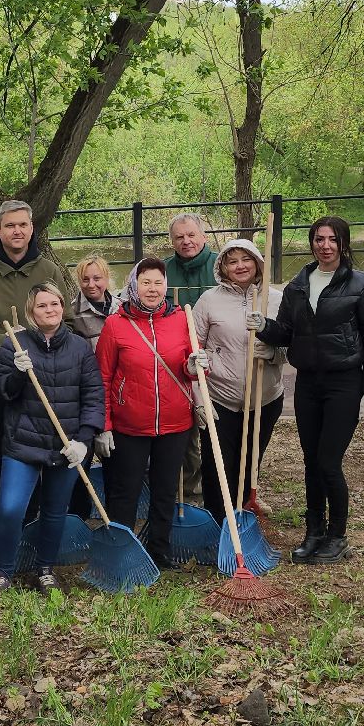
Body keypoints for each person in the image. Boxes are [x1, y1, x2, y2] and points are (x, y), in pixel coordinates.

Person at [253, 215, 364, 564]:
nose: (325, 246)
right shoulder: (299, 285)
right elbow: (287, 332)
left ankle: (337, 536)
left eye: (332, 239)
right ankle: (314, 531)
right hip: (309, 383)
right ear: (312, 243)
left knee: (328, 461)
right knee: (311, 461)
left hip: (345, 382)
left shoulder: (362, 285)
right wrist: (264, 326)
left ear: (344, 243)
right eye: (319, 239)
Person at [0, 199, 72, 559]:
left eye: (23, 224)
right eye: (10, 225)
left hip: (40, 383)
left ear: (32, 228)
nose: (17, 231)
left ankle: (29, 524)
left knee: (36, 455)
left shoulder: (49, 270)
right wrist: (7, 341)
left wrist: (37, 342)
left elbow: (66, 322)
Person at [0, 283, 103, 594]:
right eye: (42, 305)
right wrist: (16, 372)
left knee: (54, 510)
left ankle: (45, 569)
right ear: (31, 312)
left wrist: (84, 440)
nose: (49, 310)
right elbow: (0, 391)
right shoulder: (15, 344)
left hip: (66, 444)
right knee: (10, 508)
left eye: (54, 304)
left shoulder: (80, 347)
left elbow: (94, 396)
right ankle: (2, 571)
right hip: (23, 442)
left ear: (62, 306)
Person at [96, 256, 207, 568]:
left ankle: (159, 550)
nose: (153, 289)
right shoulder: (116, 324)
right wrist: (104, 425)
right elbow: (102, 378)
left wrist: (195, 366)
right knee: (126, 491)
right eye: (146, 282)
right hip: (129, 424)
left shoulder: (181, 320)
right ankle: (121, 551)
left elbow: (192, 369)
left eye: (159, 282)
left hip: (174, 423)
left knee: (165, 490)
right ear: (134, 285)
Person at [190, 239, 286, 522]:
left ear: (257, 263)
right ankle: (219, 522)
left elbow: (295, 344)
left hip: (264, 399)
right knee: (217, 466)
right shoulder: (209, 300)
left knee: (249, 463)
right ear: (222, 267)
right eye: (232, 261)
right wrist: (197, 368)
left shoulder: (277, 299)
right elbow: (193, 345)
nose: (240, 266)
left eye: (246, 259)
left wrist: (274, 353)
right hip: (220, 398)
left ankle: (242, 516)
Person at [166, 215, 217, 508]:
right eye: (179, 237)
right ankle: (187, 483)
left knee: (214, 423)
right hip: (176, 358)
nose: (186, 241)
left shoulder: (219, 266)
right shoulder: (164, 270)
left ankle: (218, 482)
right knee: (184, 423)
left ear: (203, 236)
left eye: (191, 235)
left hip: (214, 356)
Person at [73, 255, 114, 345]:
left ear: (107, 278)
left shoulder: (123, 306)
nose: (91, 285)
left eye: (97, 279)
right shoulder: (72, 313)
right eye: (85, 280)